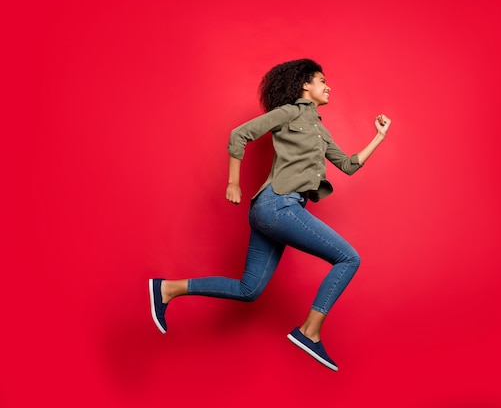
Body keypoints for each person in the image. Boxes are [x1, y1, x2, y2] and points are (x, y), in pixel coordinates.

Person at [149, 58, 391, 371]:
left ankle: (168, 288)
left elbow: (347, 165)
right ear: (305, 85)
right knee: (349, 258)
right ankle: (309, 331)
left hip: (276, 211)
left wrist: (379, 137)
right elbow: (239, 135)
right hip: (278, 205)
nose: (328, 86)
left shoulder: (321, 130)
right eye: (321, 81)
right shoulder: (289, 112)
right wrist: (233, 183)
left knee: (249, 290)